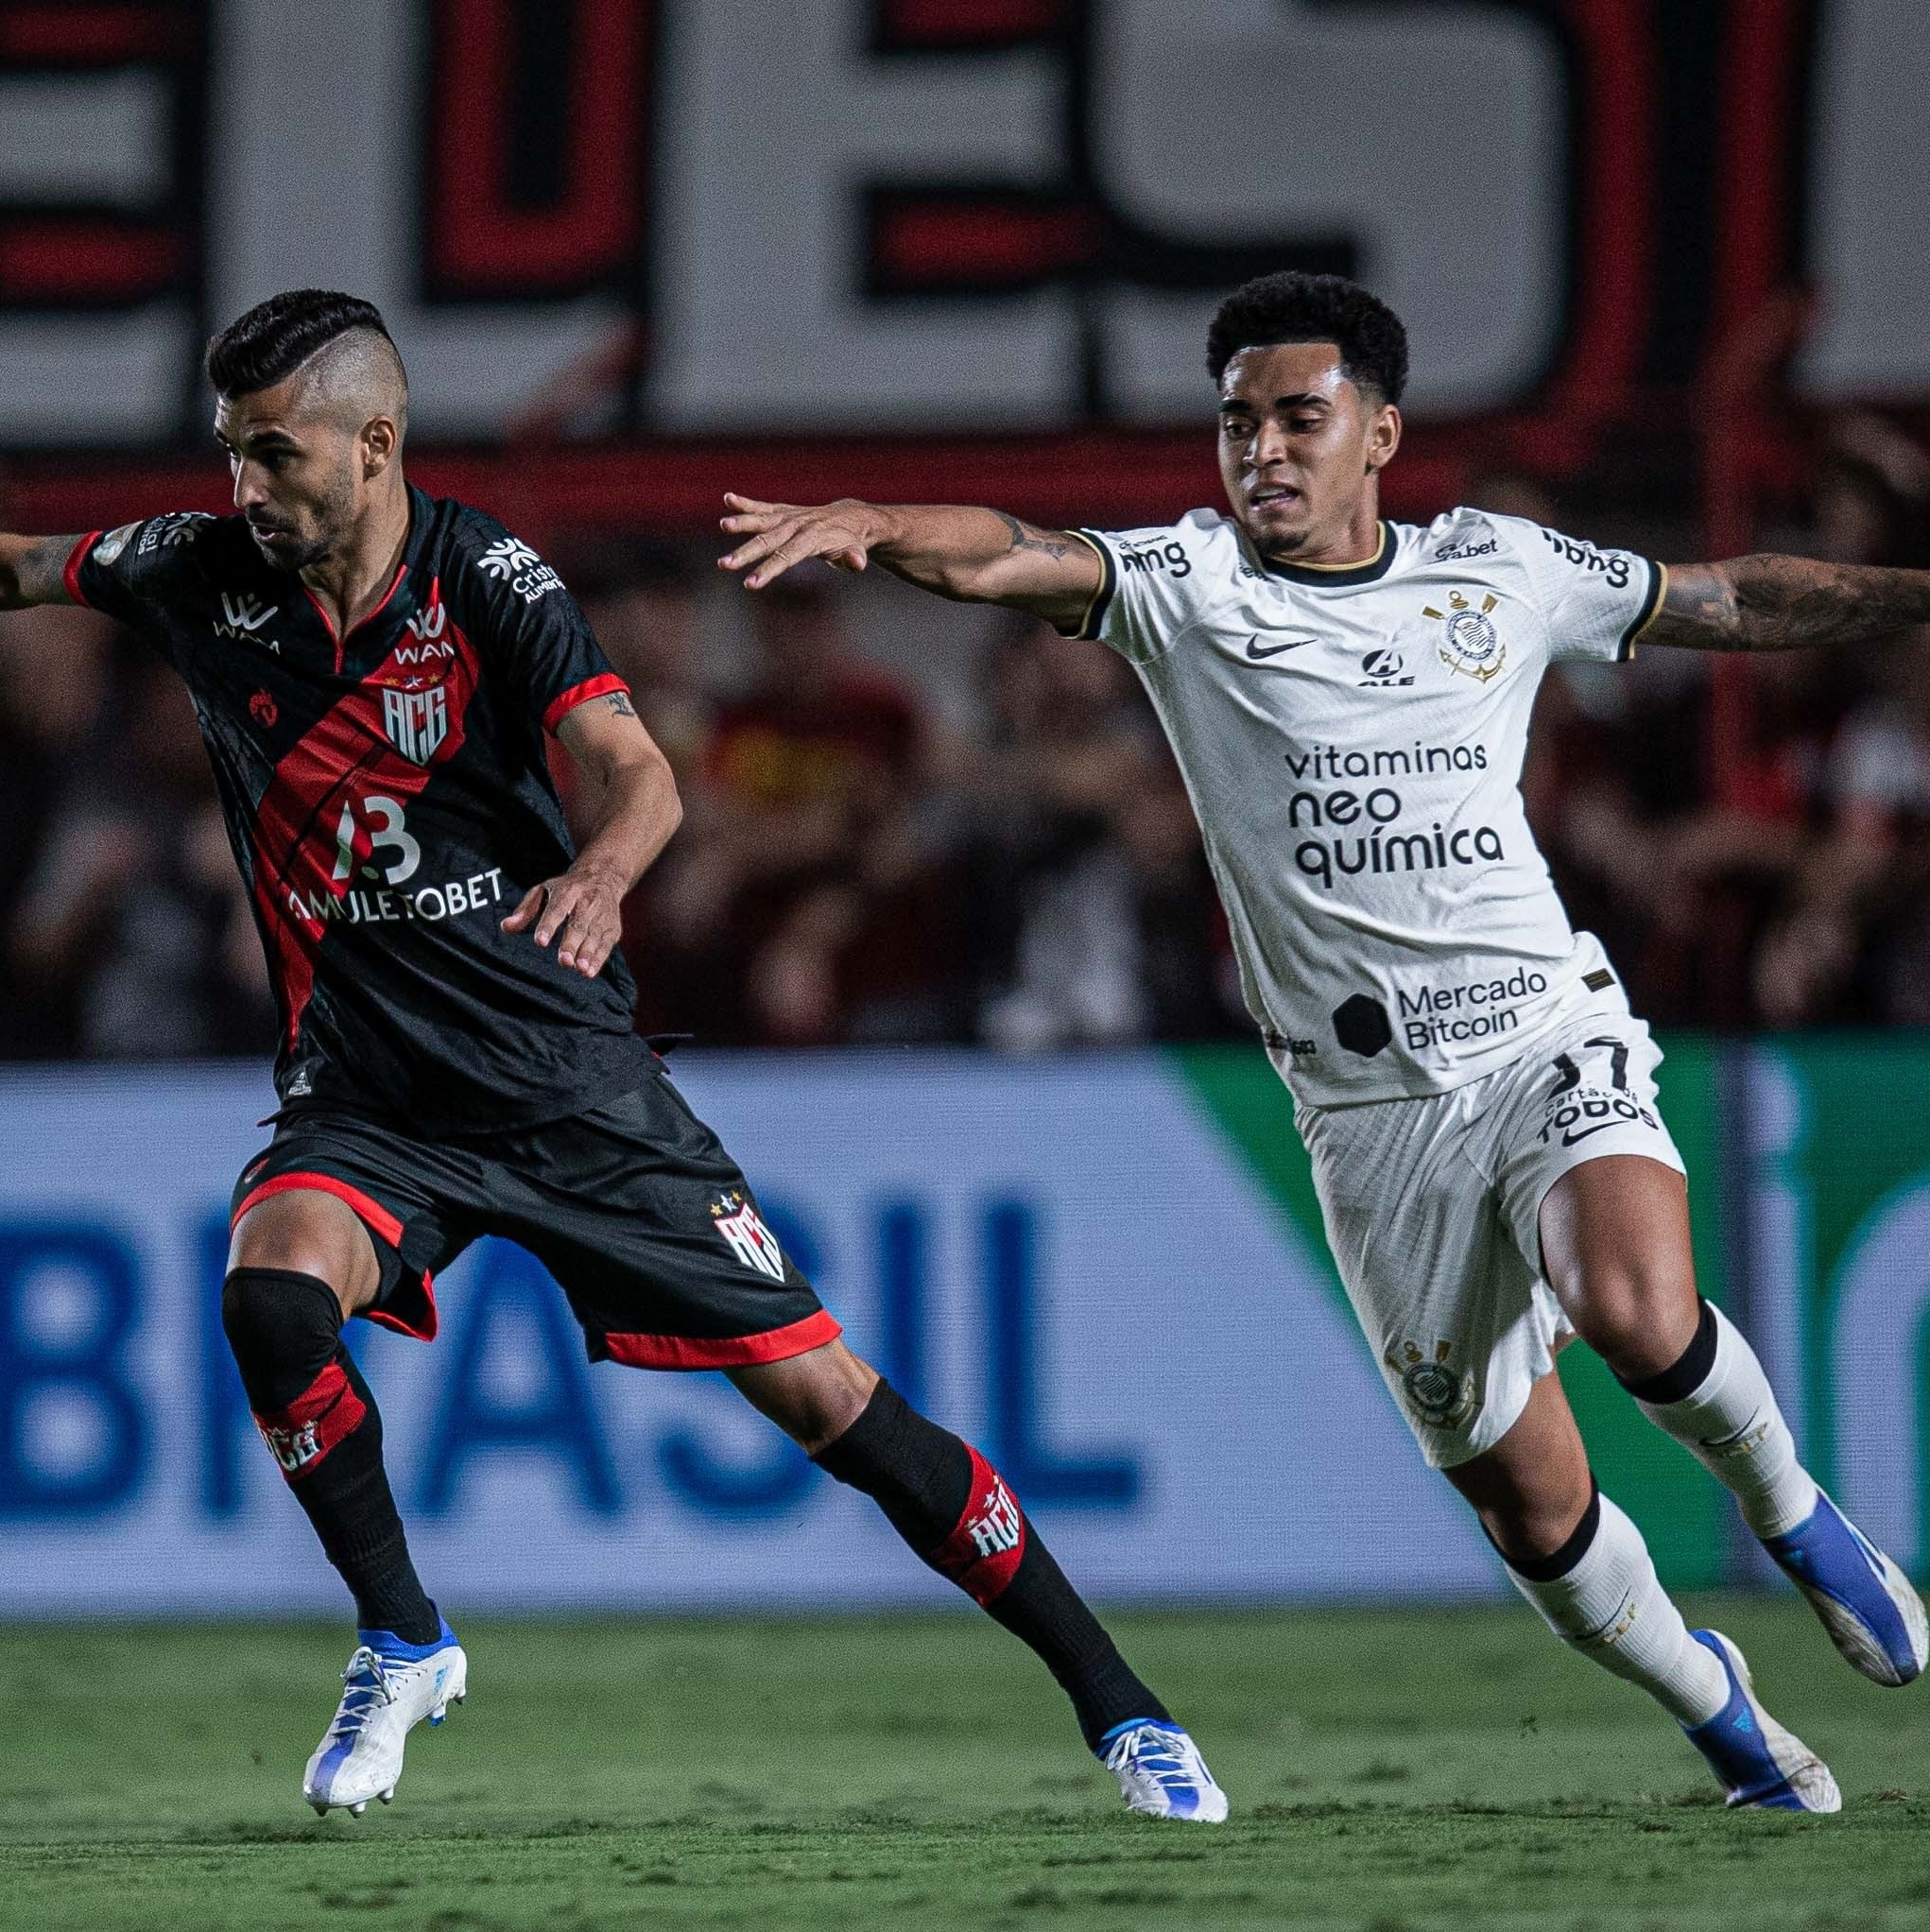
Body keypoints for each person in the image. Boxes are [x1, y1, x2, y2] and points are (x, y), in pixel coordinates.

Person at [0, 289, 1224, 1824]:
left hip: (568, 1083)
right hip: (371, 1097)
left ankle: (1123, 1709)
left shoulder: (491, 583)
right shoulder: (197, 567)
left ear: (374, 443)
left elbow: (636, 774)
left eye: (276, 454)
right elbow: (30, 568)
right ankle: (403, 1638)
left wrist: (601, 873)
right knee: (267, 1288)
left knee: (836, 1408)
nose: (249, 487)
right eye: (232, 453)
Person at [719, 268, 1930, 1814]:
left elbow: (1726, 597)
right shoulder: (1186, 587)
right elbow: (1011, 555)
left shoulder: (1495, 569)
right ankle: (1716, 1703)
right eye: (1237, 424)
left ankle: (1798, 1518)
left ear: (1381, 433)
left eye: (1300, 417)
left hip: (1537, 1035)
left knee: (1630, 1306)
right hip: (1365, 1118)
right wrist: (872, 523)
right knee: (1532, 1511)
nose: (1263, 453)